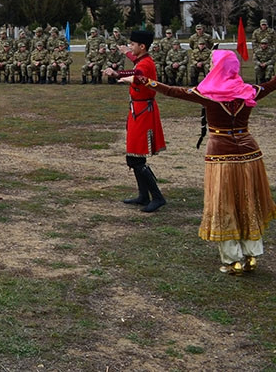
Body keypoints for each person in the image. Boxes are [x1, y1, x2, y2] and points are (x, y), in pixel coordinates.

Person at [128, 50, 276, 274]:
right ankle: (251, 255)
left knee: (225, 204)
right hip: (250, 154)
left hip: (222, 156)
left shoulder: (208, 93)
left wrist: (145, 81)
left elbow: (171, 90)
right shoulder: (249, 90)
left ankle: (233, 260)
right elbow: (272, 84)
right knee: (248, 200)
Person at [103, 29, 167, 212]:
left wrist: (117, 74)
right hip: (138, 110)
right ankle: (143, 195)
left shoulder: (145, 64)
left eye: (132, 44)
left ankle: (157, 197)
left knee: (136, 158)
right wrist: (127, 53)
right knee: (134, 156)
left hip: (143, 112)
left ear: (142, 46)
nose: (130, 47)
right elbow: (136, 63)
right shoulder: (143, 59)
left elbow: (138, 74)